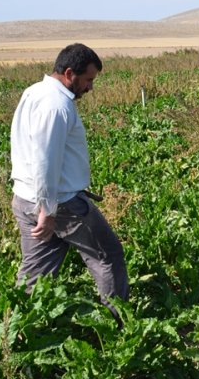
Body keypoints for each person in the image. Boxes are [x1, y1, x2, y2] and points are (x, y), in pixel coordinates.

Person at [10, 43, 128, 317]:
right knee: (108, 256)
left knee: (36, 272)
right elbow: (45, 162)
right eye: (88, 80)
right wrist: (48, 211)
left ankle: (21, 332)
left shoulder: (34, 92)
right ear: (69, 73)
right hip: (60, 205)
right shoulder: (56, 106)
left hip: (25, 199)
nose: (90, 88)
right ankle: (118, 324)